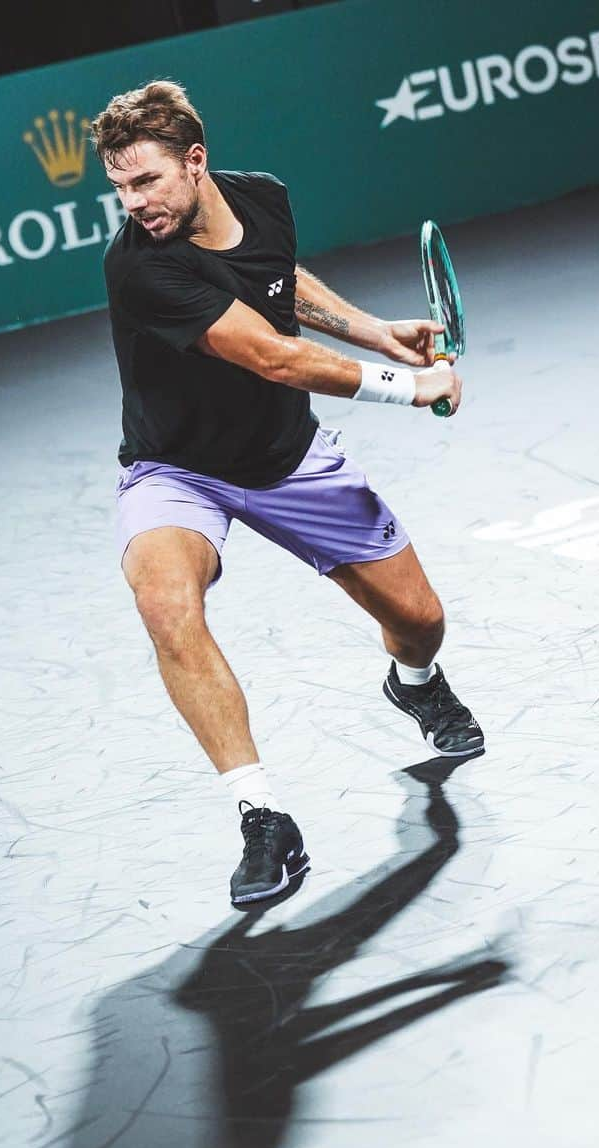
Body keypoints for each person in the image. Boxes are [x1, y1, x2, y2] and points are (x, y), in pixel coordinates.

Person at [90, 80, 483, 908]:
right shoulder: (138, 266)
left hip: (288, 457)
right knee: (164, 601)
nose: (133, 202)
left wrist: (375, 330)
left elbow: (280, 284)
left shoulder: (263, 199)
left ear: (195, 164)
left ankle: (412, 683)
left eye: (147, 181)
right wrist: (408, 387)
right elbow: (273, 356)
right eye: (120, 187)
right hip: (176, 469)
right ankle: (261, 813)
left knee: (419, 620)